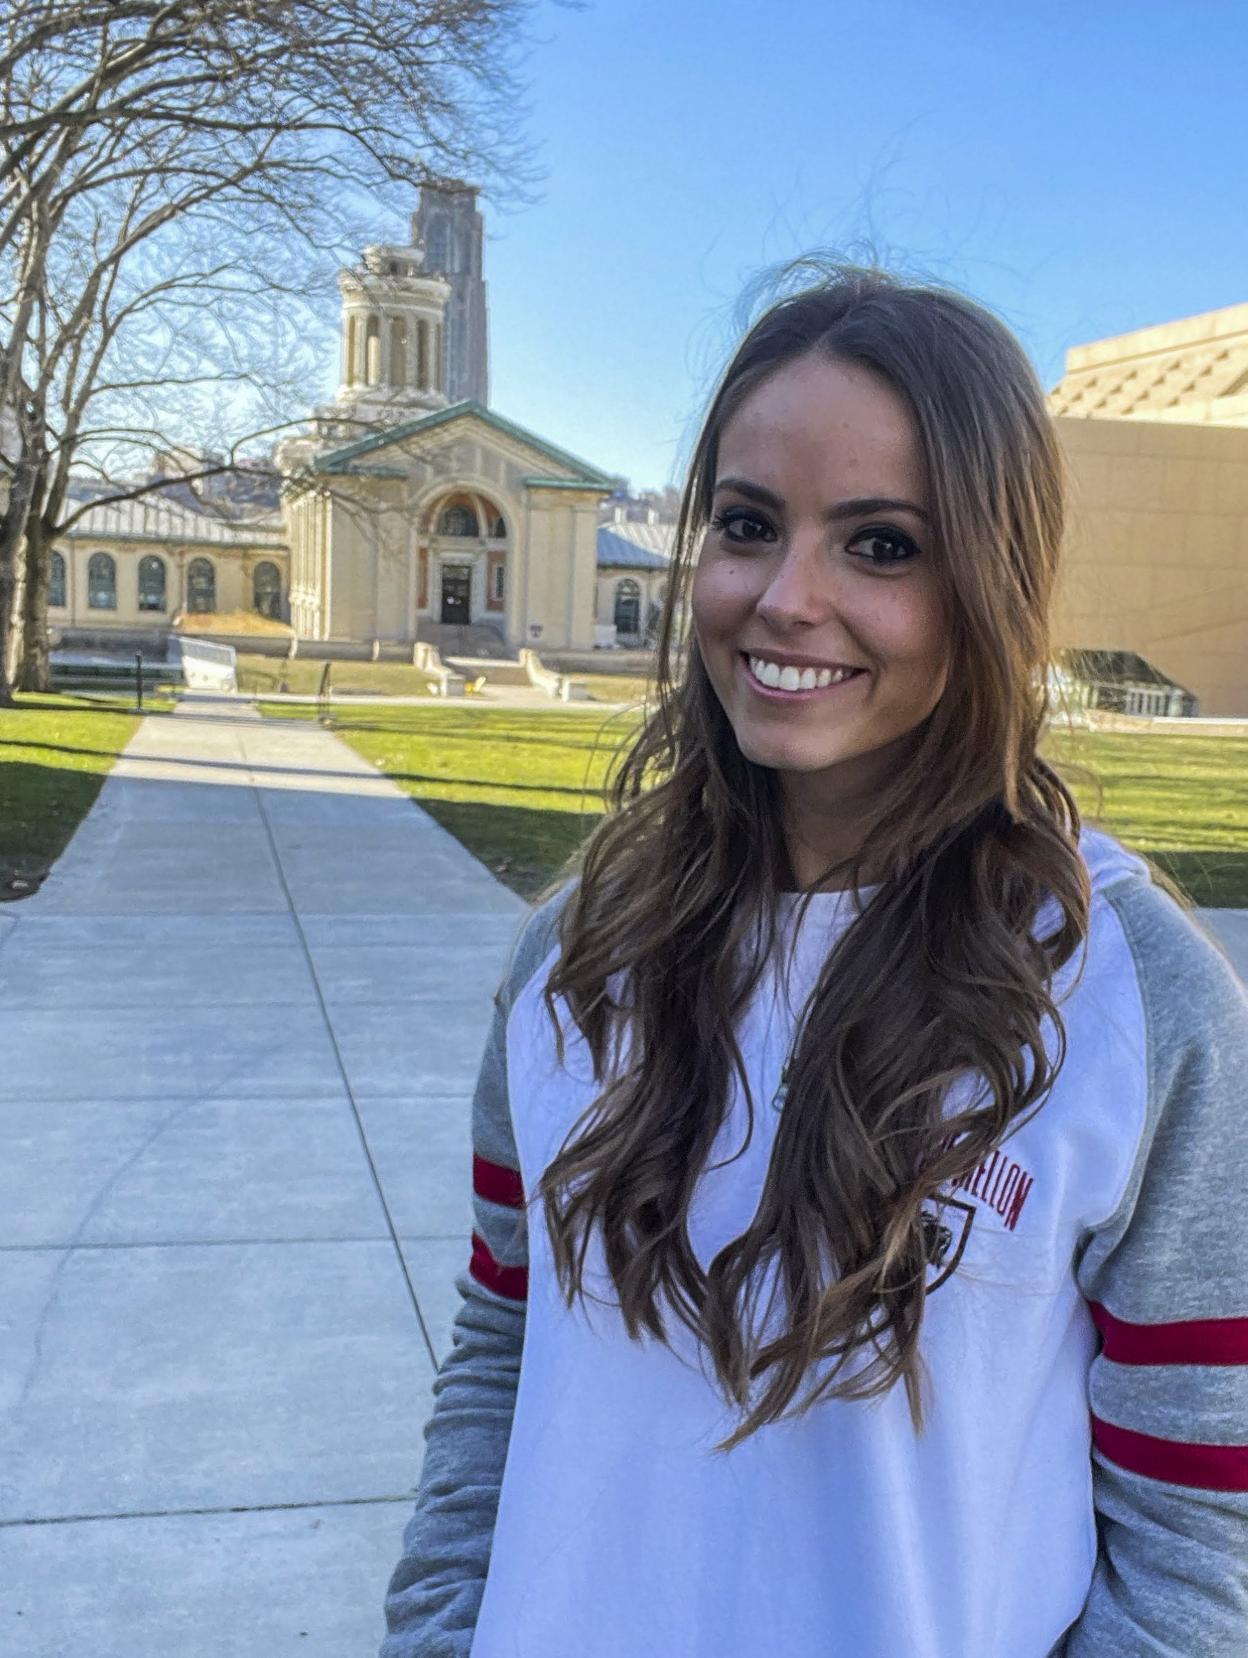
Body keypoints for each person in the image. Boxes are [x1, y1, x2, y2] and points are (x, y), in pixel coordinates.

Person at [380, 260, 1248, 1657]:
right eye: (747, 524)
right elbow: (500, 1349)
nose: (787, 597)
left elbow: (1198, 1528)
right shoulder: (568, 960)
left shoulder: (1135, 998)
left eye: (881, 544)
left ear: (991, 577)